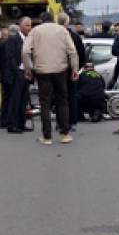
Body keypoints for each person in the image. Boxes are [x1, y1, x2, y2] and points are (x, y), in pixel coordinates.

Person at [23, 10, 79, 144]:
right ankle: (65, 134)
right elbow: (72, 51)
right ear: (53, 19)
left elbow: (25, 51)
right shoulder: (62, 30)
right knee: (62, 101)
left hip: (42, 71)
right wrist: (75, 69)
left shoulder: (35, 31)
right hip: (61, 70)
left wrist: (28, 69)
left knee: (45, 103)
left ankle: (47, 136)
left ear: (41, 20)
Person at [4, 20, 32, 133]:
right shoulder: (13, 39)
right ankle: (12, 125)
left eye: (30, 25)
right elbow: (10, 57)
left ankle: (21, 123)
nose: (29, 27)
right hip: (17, 74)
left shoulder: (28, 39)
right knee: (15, 100)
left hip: (26, 72)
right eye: (26, 25)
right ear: (20, 26)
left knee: (23, 100)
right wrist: (17, 71)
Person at [63, 14, 87, 132]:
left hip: (58, 71)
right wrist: (77, 69)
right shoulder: (75, 37)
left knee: (60, 97)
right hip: (72, 71)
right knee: (72, 96)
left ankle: (60, 122)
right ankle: (72, 122)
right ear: (68, 23)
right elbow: (82, 55)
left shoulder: (55, 36)